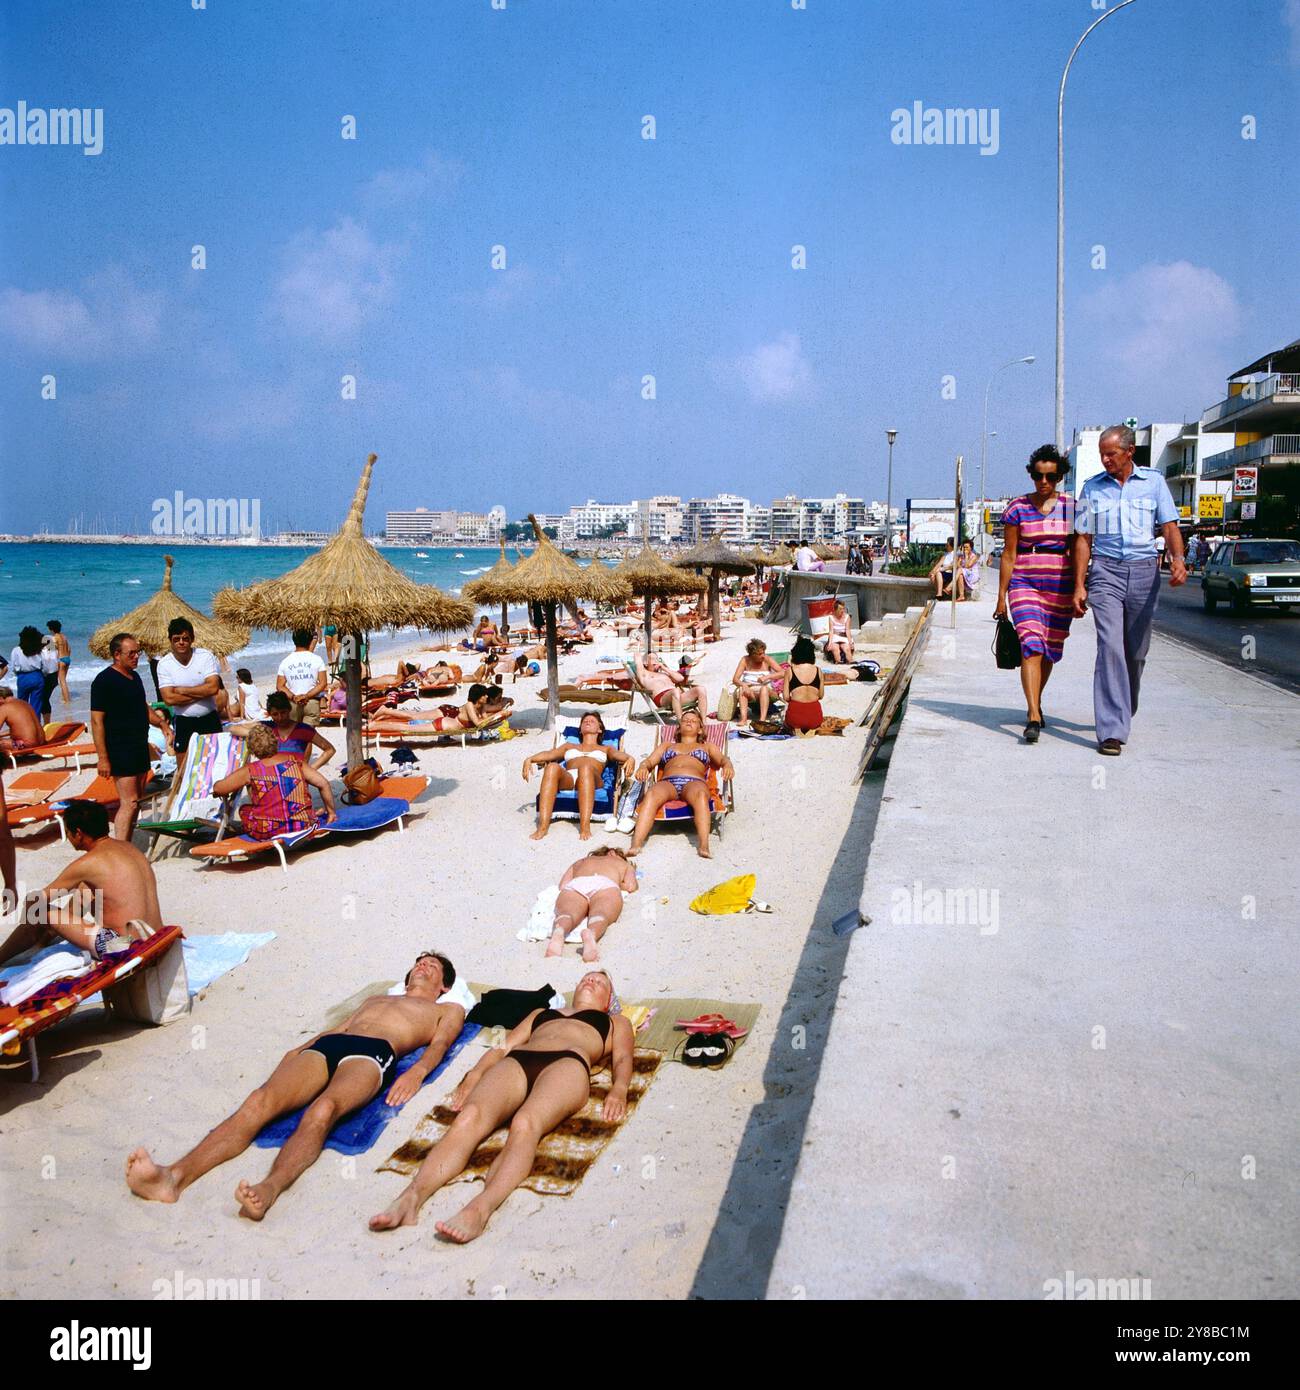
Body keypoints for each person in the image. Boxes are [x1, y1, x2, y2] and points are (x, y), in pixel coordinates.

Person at [126, 951, 467, 1219]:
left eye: (432, 965)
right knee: (259, 1101)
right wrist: (302, 1047)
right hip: (329, 1046)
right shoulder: (377, 998)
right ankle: (173, 1177)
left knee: (324, 1109)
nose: (422, 966)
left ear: (444, 985)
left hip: (373, 1053)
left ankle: (269, 1188)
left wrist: (417, 1072)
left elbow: (439, 1046)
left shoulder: (447, 1009)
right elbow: (341, 1025)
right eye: (419, 962)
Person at [369, 968, 633, 1244]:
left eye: (600, 981)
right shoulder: (539, 1014)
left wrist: (619, 1088)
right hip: (518, 1060)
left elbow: (624, 1058)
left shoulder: (616, 1022)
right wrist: (474, 1074)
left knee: (526, 1123)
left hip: (567, 1063)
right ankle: (411, 1197)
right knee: (469, 1116)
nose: (590, 980)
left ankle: (479, 1209)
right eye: (586, 978)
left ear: (608, 1000)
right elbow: (503, 1046)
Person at [1073, 424, 1186, 756]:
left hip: (1143, 572)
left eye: (1111, 454)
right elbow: (1082, 538)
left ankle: (1124, 705)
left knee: (1135, 652)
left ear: (1130, 451)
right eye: (1102, 455)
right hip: (1105, 571)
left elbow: (1169, 525)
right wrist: (1079, 585)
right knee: (1109, 646)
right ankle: (1111, 730)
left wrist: (1177, 559)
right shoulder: (1091, 489)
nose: (1105, 460)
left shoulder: (1154, 483)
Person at [0, 799, 163, 967]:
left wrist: (29, 909)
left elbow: (37, 900)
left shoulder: (88, 863)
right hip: (154, 936)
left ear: (78, 833)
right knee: (86, 889)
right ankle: (46, 936)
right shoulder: (130, 848)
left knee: (41, 911)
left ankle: (1, 957)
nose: (69, 837)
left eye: (68, 832)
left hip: (125, 947)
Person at [994, 446, 1078, 743]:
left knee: (1050, 649)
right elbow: (1008, 554)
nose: (1045, 482)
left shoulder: (1073, 507)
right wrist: (1001, 595)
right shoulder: (1017, 508)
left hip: (1060, 585)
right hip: (1024, 582)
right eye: (1039, 476)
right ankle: (1032, 715)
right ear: (1032, 475)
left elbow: (1081, 549)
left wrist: (1081, 587)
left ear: (1059, 476)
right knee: (1032, 644)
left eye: (1051, 476)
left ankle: (1037, 701)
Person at [90, 633, 173, 840]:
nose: (137, 656)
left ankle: (126, 843)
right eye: (132, 653)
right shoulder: (104, 681)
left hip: (139, 746)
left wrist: (162, 723)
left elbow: (142, 707)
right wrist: (103, 758)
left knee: (138, 800)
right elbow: (96, 722)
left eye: (138, 652)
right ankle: (120, 848)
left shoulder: (134, 677)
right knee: (130, 801)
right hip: (119, 748)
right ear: (117, 654)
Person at [628, 708, 733, 858]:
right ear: (679, 727)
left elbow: (723, 759)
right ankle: (636, 845)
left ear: (700, 729)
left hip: (694, 782)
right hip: (668, 782)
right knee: (651, 794)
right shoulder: (666, 746)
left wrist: (728, 765)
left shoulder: (707, 746)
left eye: (693, 721)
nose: (689, 722)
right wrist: (643, 767)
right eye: (685, 720)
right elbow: (650, 761)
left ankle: (703, 846)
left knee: (701, 796)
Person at [523, 710, 633, 841]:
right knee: (552, 767)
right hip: (569, 779)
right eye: (585, 721)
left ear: (599, 730)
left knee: (585, 768)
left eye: (592, 721)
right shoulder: (569, 746)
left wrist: (629, 758)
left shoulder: (606, 749)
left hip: (593, 779)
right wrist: (529, 759)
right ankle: (542, 827)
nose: (588, 722)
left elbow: (619, 755)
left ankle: (585, 827)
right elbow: (549, 754)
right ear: (580, 730)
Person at [214, 723, 335, 840]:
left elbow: (219, 789)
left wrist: (216, 784)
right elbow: (323, 783)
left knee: (244, 810)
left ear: (252, 750)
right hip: (302, 825)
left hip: (267, 831)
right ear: (275, 743)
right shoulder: (296, 763)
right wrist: (331, 813)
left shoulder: (250, 770)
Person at [547, 847, 638, 961]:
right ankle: (592, 933)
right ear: (612, 852)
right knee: (601, 914)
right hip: (605, 883)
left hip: (578, 883)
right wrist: (618, 880)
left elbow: (563, 885)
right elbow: (630, 887)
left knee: (567, 913)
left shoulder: (581, 861)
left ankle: (560, 930)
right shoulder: (622, 863)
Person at [156, 618, 222, 759]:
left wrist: (182, 690)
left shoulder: (205, 656)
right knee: (184, 768)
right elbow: (168, 699)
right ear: (170, 640)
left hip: (209, 718)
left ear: (192, 639)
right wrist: (202, 691)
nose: (181, 642)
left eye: (185, 638)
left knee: (215, 763)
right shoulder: (164, 664)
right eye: (176, 639)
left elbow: (213, 688)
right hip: (183, 721)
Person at [230, 690, 335, 768]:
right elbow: (234, 728)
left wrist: (311, 769)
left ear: (289, 710)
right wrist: (258, 733)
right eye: (275, 714)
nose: (280, 717)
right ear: (269, 714)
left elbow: (329, 750)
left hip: (296, 780)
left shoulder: (304, 730)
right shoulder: (267, 727)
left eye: (283, 712)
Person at [634, 651, 708, 722]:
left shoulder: (664, 674)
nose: (656, 661)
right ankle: (681, 722)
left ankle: (704, 722)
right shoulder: (644, 674)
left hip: (677, 697)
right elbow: (637, 656)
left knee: (701, 689)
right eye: (652, 659)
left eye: (657, 659)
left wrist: (664, 668)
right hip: (662, 699)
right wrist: (639, 642)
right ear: (645, 663)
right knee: (675, 691)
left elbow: (680, 678)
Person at [276, 628, 328, 727]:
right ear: (310, 640)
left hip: (292, 703)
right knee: (308, 736)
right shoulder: (317, 659)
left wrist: (293, 696)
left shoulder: (286, 661)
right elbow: (323, 683)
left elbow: (280, 686)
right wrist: (307, 696)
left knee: (295, 736)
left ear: (294, 640)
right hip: (311, 701)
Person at [731, 638, 783, 725]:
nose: (763, 655)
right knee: (742, 690)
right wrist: (743, 684)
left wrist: (768, 676)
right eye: (759, 654)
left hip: (767, 691)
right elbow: (735, 679)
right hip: (751, 691)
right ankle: (744, 719)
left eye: (763, 652)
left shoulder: (767, 659)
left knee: (763, 689)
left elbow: (783, 673)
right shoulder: (745, 660)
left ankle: (762, 719)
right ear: (752, 655)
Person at [781, 635, 824, 736]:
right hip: (815, 719)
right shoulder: (818, 670)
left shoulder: (790, 671)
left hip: (795, 719)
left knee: (787, 719)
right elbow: (821, 696)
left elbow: (786, 697)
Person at [9, 626, 46, 718]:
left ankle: (23, 725)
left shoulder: (16, 650)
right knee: (36, 705)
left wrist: (18, 675)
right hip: (37, 676)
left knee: (22, 705)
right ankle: (36, 725)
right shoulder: (38, 650)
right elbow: (44, 665)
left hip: (23, 677)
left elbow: (14, 667)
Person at [0, 686, 45, 755]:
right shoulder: (24, 703)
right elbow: (21, 728)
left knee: (2, 743)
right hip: (41, 742)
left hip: (26, 746)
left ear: (1, 698)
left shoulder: (4, 707)